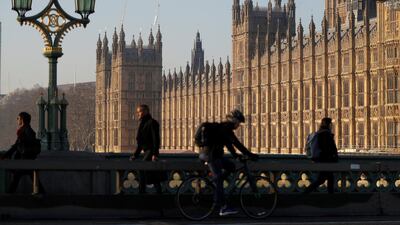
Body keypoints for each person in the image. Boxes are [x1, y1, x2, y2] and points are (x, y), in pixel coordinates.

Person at [205, 109, 259, 216]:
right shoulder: (226, 128)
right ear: (234, 120)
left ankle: (215, 184)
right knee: (219, 179)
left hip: (215, 155)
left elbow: (229, 145)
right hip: (211, 157)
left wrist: (236, 156)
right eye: (239, 122)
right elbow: (236, 143)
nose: (239, 125)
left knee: (231, 167)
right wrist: (250, 154)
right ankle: (223, 207)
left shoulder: (224, 128)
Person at [1, 112, 45, 194]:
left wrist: (5, 155)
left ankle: (8, 196)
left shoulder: (26, 130)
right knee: (29, 176)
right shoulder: (26, 130)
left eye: (18, 118)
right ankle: (42, 194)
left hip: (24, 160)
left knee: (16, 178)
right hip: (27, 160)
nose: (17, 120)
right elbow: (17, 145)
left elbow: (16, 146)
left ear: (22, 119)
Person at [129, 104, 163, 194]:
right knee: (151, 173)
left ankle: (142, 191)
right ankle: (157, 192)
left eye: (140, 111)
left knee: (143, 169)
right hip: (147, 151)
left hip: (151, 151)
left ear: (146, 112)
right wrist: (135, 155)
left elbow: (156, 140)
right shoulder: (143, 123)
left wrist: (155, 154)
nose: (138, 114)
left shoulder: (152, 123)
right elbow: (141, 143)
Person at [304, 117, 338, 194]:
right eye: (330, 124)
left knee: (329, 178)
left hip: (322, 160)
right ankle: (306, 192)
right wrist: (333, 156)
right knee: (322, 179)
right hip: (326, 160)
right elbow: (328, 148)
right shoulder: (325, 134)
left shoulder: (320, 133)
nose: (331, 126)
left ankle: (330, 195)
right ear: (329, 124)